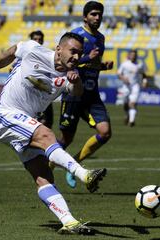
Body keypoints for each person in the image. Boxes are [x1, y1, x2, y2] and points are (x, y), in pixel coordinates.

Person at [0, 32, 107, 235]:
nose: (76, 57)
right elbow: (12, 51)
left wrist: (76, 82)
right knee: (47, 134)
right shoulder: (33, 50)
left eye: (79, 53)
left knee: (43, 176)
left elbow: (77, 92)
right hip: (8, 113)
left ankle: (69, 221)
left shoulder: (69, 75)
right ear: (59, 49)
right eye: (72, 51)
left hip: (24, 122)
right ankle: (84, 174)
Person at [57, 1, 113, 189]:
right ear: (85, 16)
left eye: (100, 15)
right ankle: (43, 167)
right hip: (74, 93)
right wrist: (88, 58)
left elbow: (91, 65)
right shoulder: (76, 36)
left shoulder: (101, 38)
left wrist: (102, 66)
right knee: (66, 139)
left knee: (105, 132)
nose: (97, 18)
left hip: (92, 94)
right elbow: (63, 62)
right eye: (94, 14)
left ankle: (73, 164)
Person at [117, 49, 147, 127]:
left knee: (132, 103)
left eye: (135, 55)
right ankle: (127, 115)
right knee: (126, 104)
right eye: (132, 55)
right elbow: (119, 74)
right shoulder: (124, 64)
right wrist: (123, 78)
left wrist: (144, 81)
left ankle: (131, 121)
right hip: (126, 87)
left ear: (136, 56)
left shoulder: (140, 65)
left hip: (135, 86)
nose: (133, 57)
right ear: (129, 55)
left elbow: (143, 74)